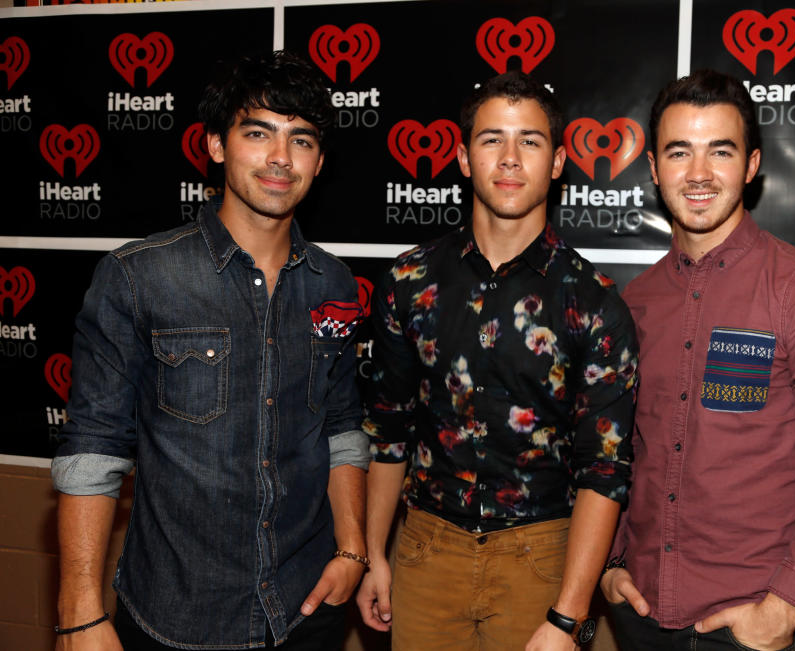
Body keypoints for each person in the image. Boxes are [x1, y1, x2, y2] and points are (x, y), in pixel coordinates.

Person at [52, 50, 369, 650]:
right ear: (217, 147)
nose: (281, 157)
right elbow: (92, 451)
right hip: (177, 619)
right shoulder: (138, 277)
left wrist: (353, 548)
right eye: (258, 133)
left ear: (320, 161)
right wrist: (79, 614)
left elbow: (342, 426)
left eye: (301, 140)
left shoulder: (335, 284)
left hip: (308, 610)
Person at [356, 71, 639, 650]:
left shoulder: (595, 302)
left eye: (530, 142)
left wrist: (568, 615)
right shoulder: (408, 281)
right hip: (425, 553)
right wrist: (372, 555)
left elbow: (604, 473)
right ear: (463, 157)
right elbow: (387, 432)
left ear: (558, 162)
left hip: (541, 560)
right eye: (492, 140)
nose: (510, 158)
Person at [601, 69, 795, 651]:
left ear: (751, 167)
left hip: (752, 626)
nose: (698, 174)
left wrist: (784, 609)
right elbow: (626, 454)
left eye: (719, 152)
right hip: (641, 616)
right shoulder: (635, 303)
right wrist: (613, 562)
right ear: (652, 168)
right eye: (679, 152)